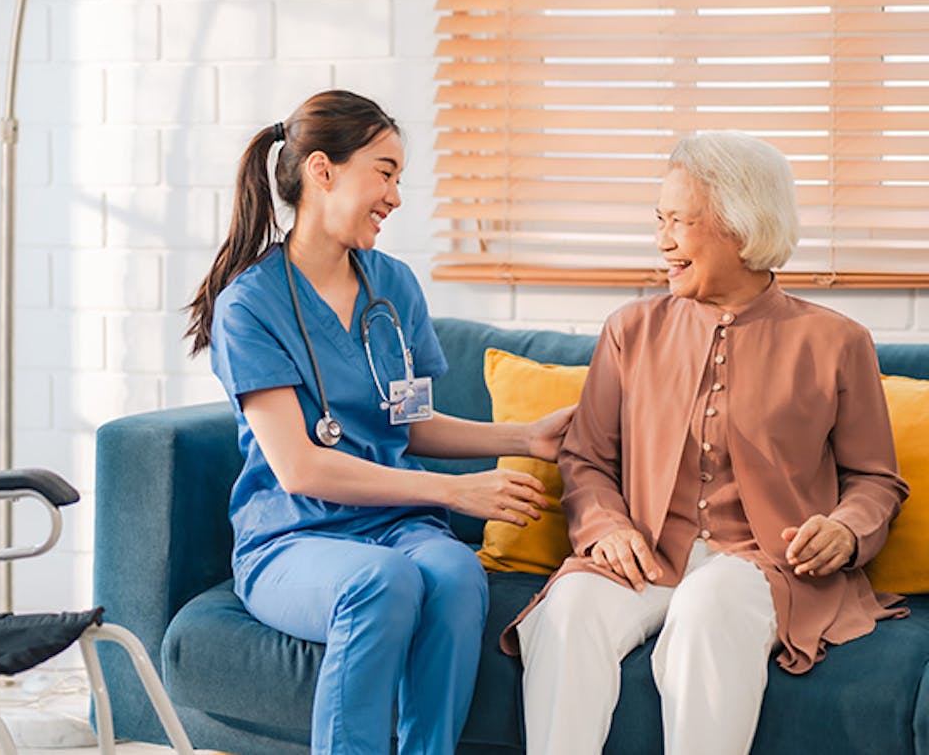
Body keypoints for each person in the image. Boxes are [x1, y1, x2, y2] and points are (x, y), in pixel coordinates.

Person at [185, 90, 574, 755]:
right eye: (385, 173)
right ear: (322, 170)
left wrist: (523, 437)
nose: (395, 197)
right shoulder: (249, 305)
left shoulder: (391, 287)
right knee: (380, 582)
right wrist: (454, 491)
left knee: (455, 574)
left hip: (395, 525)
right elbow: (299, 468)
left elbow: (410, 424)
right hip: (293, 536)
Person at [503, 130, 909, 755]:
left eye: (680, 221)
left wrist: (846, 529)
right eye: (658, 219)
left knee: (709, 605)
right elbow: (586, 458)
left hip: (764, 564)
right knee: (570, 607)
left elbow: (875, 478)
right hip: (646, 556)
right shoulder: (629, 330)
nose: (662, 240)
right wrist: (607, 527)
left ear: (742, 227)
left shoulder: (837, 342)